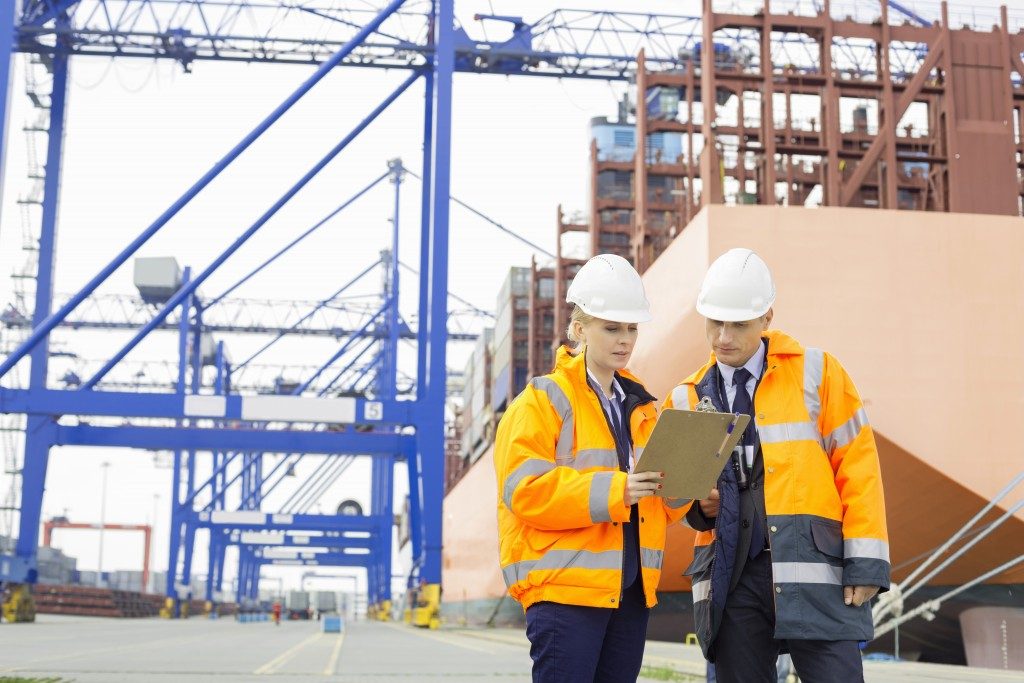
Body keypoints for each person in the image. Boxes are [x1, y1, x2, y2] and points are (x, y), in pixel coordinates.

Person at [663, 248, 889, 683]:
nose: (723, 337)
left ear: (767, 318)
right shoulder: (686, 397)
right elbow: (679, 501)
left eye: (738, 324)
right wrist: (699, 507)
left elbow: (859, 469)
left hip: (818, 572)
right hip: (732, 579)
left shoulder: (819, 374)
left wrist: (866, 565)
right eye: (715, 322)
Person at [494, 253, 693, 683]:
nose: (625, 340)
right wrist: (617, 491)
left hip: (630, 595)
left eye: (631, 329)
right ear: (580, 329)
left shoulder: (642, 409)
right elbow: (524, 490)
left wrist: (690, 490)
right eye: (612, 328)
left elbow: (657, 505)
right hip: (565, 594)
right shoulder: (541, 402)